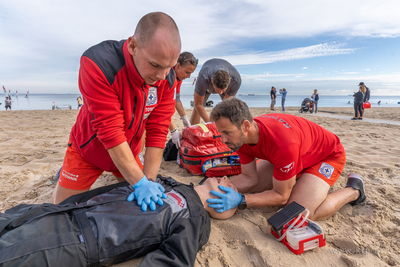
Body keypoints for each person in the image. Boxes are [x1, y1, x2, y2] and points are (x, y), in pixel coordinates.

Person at [51, 12, 181, 213]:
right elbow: (110, 130)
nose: (161, 76)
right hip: (88, 150)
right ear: (133, 46)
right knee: (59, 210)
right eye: (155, 65)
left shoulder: (167, 78)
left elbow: (158, 129)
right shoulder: (98, 63)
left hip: (128, 152)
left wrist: (149, 181)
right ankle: (63, 175)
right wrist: (139, 183)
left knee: (142, 205)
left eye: (169, 67)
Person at [0, 175, 237, 267]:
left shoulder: (193, 216)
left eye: (230, 185)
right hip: (64, 212)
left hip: (81, 239)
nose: (226, 177)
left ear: (224, 209)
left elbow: (175, 260)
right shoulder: (171, 181)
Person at [207, 98, 366, 221]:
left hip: (327, 155)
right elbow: (249, 178)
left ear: (245, 126)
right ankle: (299, 179)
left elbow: (281, 197)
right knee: (255, 187)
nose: (223, 139)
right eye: (221, 133)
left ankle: (354, 191)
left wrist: (241, 200)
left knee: (298, 214)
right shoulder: (241, 139)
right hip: (295, 155)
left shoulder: (283, 144)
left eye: (227, 133)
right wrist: (212, 191)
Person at [190, 58, 241, 125]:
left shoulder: (236, 81)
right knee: (197, 109)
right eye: (217, 90)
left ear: (230, 80)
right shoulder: (203, 78)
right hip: (206, 83)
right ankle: (193, 132)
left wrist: (216, 121)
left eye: (223, 91)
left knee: (229, 109)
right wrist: (210, 123)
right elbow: (198, 104)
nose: (220, 93)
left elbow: (225, 105)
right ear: (211, 80)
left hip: (226, 83)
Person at [168, 52, 199, 148]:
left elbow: (177, 99)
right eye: (187, 72)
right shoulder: (167, 75)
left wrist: (184, 118)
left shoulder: (178, 78)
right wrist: (173, 130)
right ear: (178, 66)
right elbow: (161, 108)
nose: (189, 76)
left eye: (191, 73)